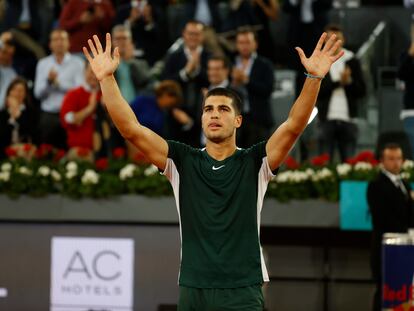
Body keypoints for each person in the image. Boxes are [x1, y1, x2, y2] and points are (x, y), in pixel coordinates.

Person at [83, 31, 343, 310]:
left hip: (243, 288)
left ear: (238, 120)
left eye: (222, 109)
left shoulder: (256, 161)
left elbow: (293, 125)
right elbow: (130, 129)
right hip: (194, 288)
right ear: (202, 118)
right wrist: (106, 79)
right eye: (208, 109)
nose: (214, 114)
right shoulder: (181, 160)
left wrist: (313, 78)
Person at [367, 144, 414, 311]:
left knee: (404, 293)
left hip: (405, 249)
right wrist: (407, 231)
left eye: (399, 158)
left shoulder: (405, 184)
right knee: (384, 291)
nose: (396, 163)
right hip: (385, 250)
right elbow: (382, 218)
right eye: (391, 159)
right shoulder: (376, 185)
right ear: (382, 161)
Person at [317, 24, 366, 163]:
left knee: (349, 166)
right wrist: (340, 82)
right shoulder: (319, 60)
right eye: (331, 38)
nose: (334, 41)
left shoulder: (352, 61)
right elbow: (317, 91)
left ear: (343, 40)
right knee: (324, 165)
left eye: (337, 38)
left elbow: (362, 91)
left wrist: (349, 82)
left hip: (348, 119)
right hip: (326, 119)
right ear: (325, 40)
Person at [34, 29, 85, 149]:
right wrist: (49, 82)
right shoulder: (43, 64)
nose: (59, 43)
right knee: (46, 153)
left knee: (71, 152)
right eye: (55, 40)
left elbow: (80, 91)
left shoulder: (78, 63)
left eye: (62, 39)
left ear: (68, 42)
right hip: (48, 115)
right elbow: (37, 93)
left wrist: (58, 84)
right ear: (50, 44)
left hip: (71, 115)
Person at [232, 28, 274, 147]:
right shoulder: (230, 63)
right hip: (235, 120)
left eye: (247, 42)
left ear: (255, 44)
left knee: (258, 158)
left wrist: (246, 81)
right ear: (236, 45)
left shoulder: (265, 64)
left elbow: (267, 90)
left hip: (258, 119)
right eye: (241, 42)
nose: (244, 46)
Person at [60, 63, 100, 157]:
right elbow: (67, 120)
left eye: (98, 72)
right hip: (80, 150)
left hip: (105, 151)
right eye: (91, 72)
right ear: (84, 72)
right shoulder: (74, 94)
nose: (94, 76)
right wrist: (89, 109)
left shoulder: (106, 96)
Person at [0, 77, 34, 159]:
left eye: (21, 90)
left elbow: (31, 133)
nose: (17, 93)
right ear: (9, 93)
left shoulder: (31, 112)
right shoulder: (3, 114)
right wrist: (12, 118)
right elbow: (2, 139)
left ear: (25, 94)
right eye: (14, 90)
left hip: (26, 153)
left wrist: (18, 115)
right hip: (4, 154)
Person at [398, 40, 414, 158]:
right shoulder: (406, 54)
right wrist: (410, 54)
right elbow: (401, 74)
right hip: (411, 112)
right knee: (411, 152)